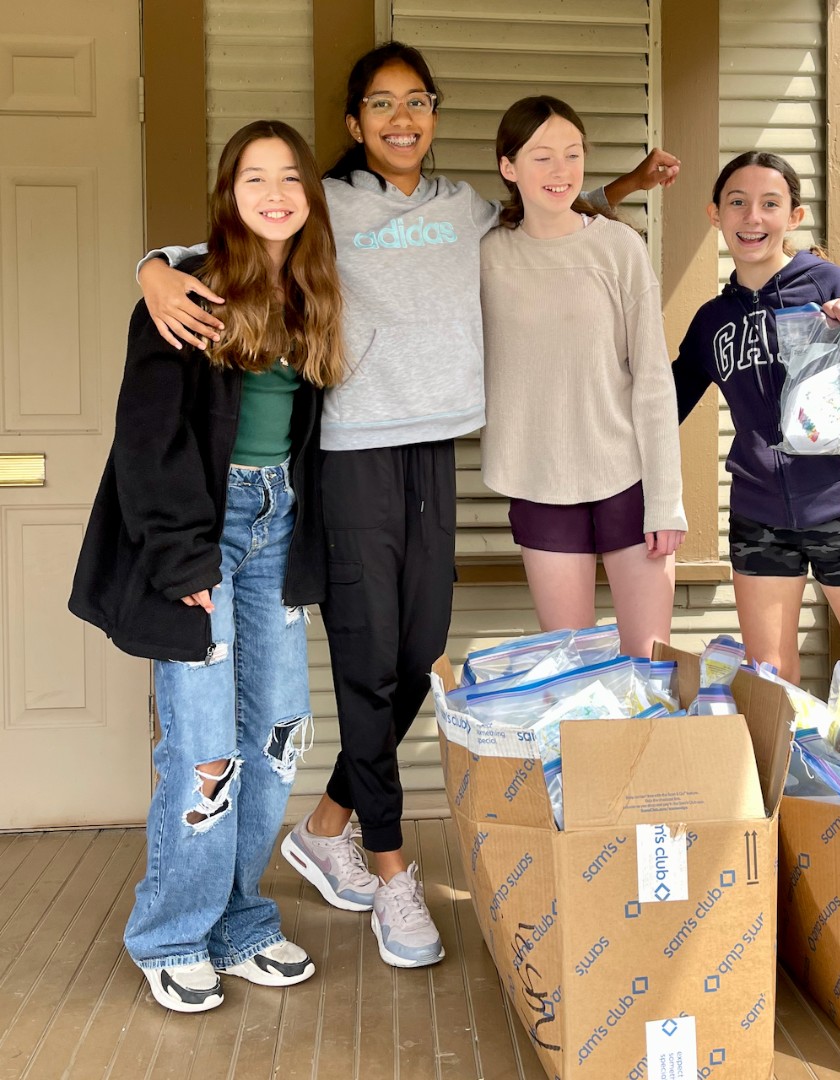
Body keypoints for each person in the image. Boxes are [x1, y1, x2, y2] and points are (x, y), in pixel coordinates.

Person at [133, 41, 679, 970]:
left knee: (418, 654)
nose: (400, 118)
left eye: (416, 101)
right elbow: (239, 243)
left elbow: (548, 217)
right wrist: (154, 264)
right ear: (354, 125)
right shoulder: (329, 207)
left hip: (438, 448)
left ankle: (328, 825)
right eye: (380, 104)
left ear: (434, 114)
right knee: (365, 667)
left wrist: (620, 184)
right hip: (349, 454)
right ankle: (390, 872)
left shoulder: (466, 208)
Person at [68, 120, 345, 1011]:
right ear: (229, 195)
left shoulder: (312, 293)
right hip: (204, 533)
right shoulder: (185, 291)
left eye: (289, 178)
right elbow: (147, 438)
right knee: (203, 746)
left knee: (278, 734)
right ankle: (172, 932)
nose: (273, 193)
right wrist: (180, 552)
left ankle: (238, 922)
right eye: (253, 177)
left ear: (309, 195)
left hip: (279, 531)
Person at [670, 150, 840, 712]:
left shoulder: (827, 283)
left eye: (769, 204)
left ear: (794, 215)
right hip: (759, 512)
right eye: (737, 202)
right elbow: (664, 404)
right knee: (773, 685)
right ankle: (794, 803)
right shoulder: (712, 320)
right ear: (715, 215)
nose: (752, 217)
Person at [480, 97, 685, 656]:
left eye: (572, 155)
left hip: (628, 478)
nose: (561, 171)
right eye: (542, 157)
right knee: (574, 674)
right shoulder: (484, 255)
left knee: (648, 668)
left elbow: (651, 376)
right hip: (538, 478)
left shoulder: (618, 246)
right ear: (508, 167)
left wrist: (666, 498)